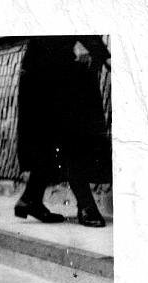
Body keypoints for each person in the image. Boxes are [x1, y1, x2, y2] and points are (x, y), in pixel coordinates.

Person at [14, 35, 112, 228]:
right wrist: (95, 51)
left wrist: (99, 52)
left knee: (54, 137)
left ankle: (31, 198)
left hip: (59, 63)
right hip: (48, 66)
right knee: (71, 134)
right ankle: (86, 204)